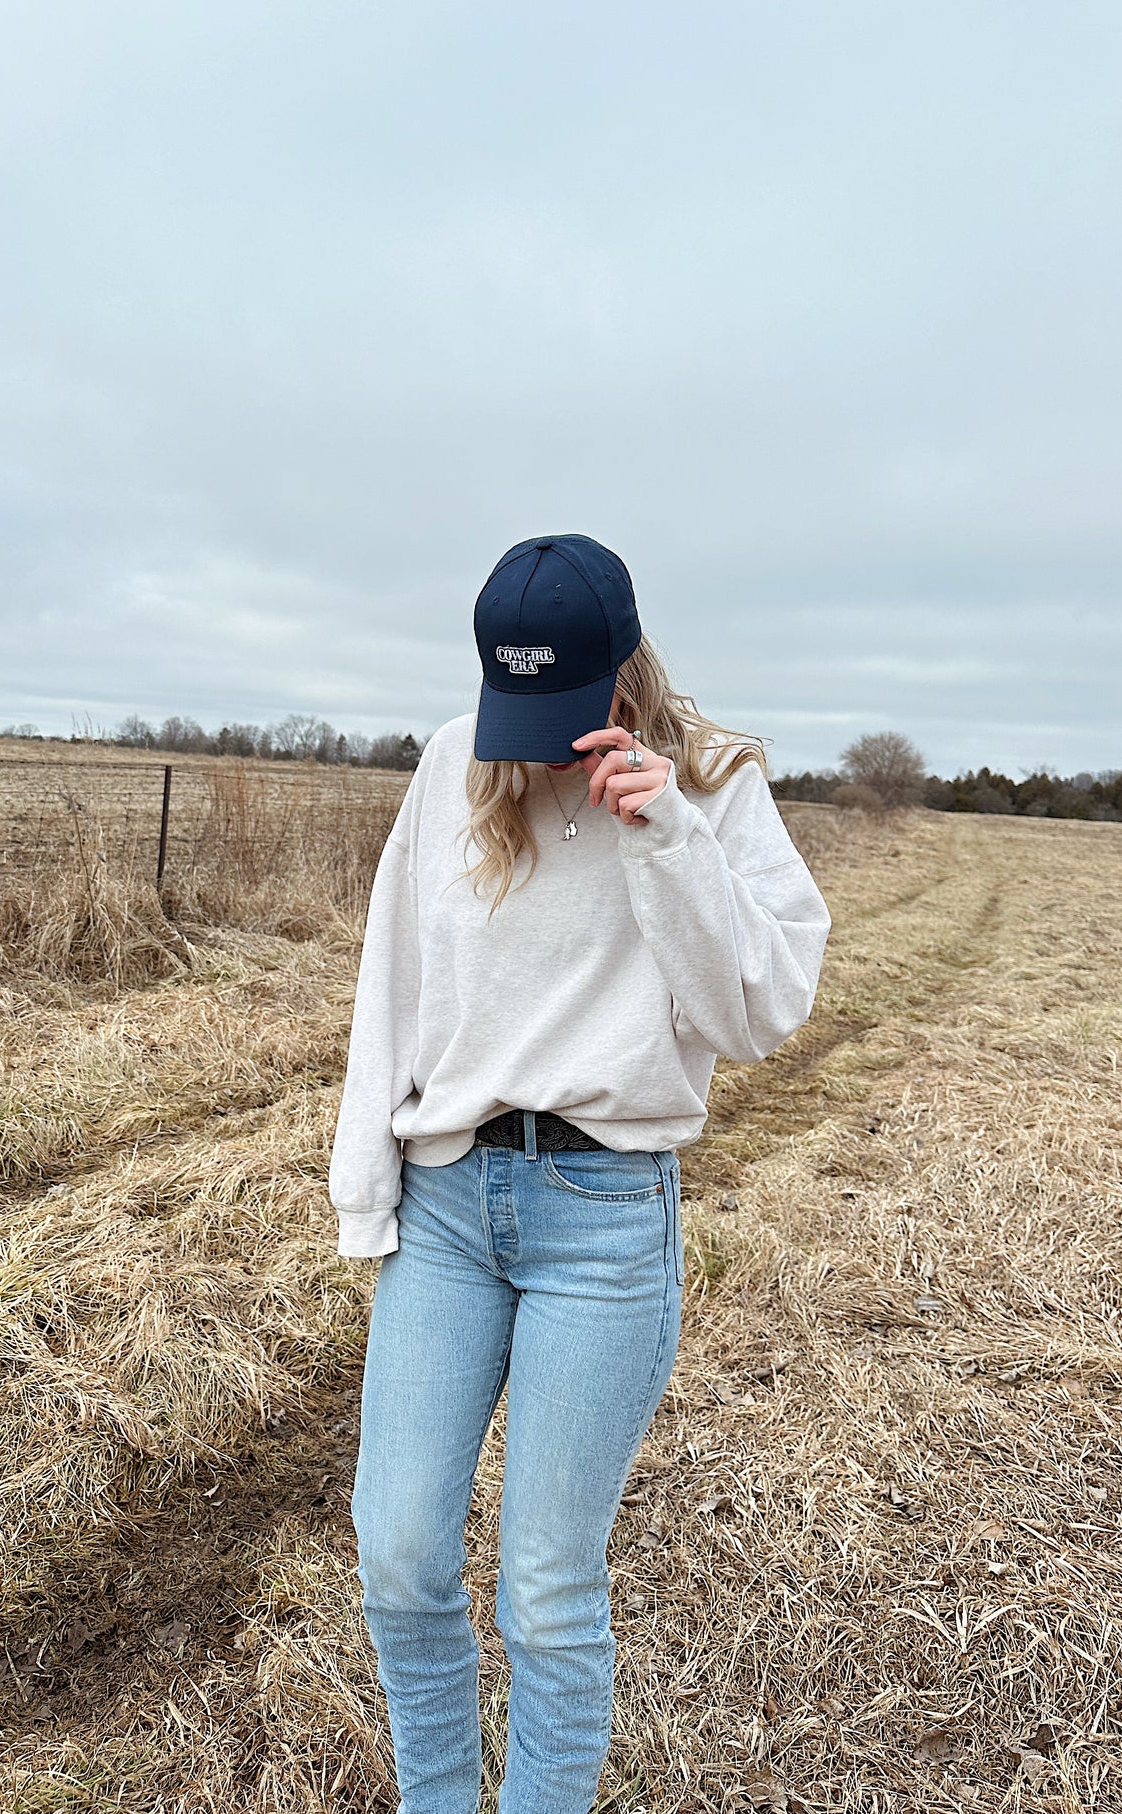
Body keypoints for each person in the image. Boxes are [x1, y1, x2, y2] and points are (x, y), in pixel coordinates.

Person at [329, 534, 832, 1814]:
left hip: (602, 1221)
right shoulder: (454, 759)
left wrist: (666, 835)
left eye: (563, 707)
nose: (536, 743)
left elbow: (756, 1012)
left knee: (545, 1586)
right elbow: (390, 975)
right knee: (396, 1553)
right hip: (447, 1206)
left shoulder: (714, 785)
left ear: (622, 670)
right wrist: (364, 1184)